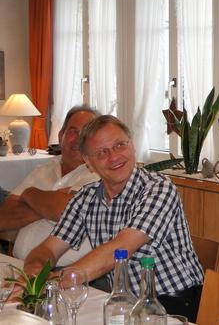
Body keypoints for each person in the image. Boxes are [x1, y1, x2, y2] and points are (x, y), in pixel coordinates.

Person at [23, 115, 204, 322]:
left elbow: (120, 250)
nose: (114, 157)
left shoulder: (159, 188)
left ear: (132, 146)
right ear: (88, 162)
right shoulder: (86, 198)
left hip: (177, 306)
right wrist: (34, 274)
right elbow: (48, 249)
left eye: (119, 145)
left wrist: (59, 280)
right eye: (102, 152)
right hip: (126, 304)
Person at [0, 105, 100, 265]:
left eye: (86, 133)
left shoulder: (99, 174)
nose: (79, 139)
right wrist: (51, 204)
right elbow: (4, 217)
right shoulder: (44, 168)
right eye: (73, 131)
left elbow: (65, 210)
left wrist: (29, 194)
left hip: (68, 272)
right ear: (61, 136)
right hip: (20, 265)